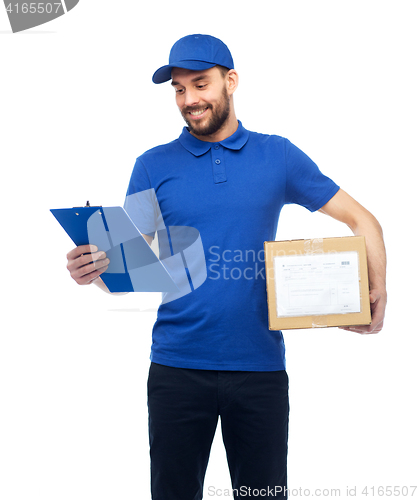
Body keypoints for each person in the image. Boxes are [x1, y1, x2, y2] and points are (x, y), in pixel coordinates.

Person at [66, 34, 387, 500]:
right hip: (176, 369)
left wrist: (377, 294)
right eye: (179, 89)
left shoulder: (277, 155)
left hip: (259, 369)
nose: (189, 100)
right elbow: (128, 270)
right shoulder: (152, 165)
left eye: (200, 84)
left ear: (230, 81)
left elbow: (363, 219)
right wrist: (93, 270)